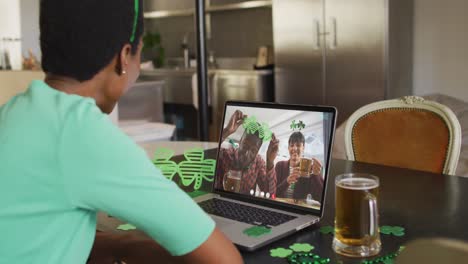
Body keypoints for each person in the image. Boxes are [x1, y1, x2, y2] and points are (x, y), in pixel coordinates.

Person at [0, 1, 242, 264]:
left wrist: (123, 245)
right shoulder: (82, 132)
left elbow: (45, 234)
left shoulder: (13, 112)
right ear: (124, 57)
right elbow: (224, 260)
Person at [215, 110, 279, 195]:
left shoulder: (258, 163)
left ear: (258, 152)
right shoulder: (225, 155)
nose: (246, 154)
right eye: (245, 145)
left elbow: (271, 194)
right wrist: (227, 131)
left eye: (253, 150)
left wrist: (270, 161)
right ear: (240, 140)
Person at [275, 132, 324, 202]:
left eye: (298, 145)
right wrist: (287, 181)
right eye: (292, 145)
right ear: (288, 148)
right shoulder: (280, 166)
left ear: (303, 147)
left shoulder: (308, 169)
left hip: (298, 209)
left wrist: (316, 175)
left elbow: (320, 198)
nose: (294, 148)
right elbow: (273, 193)